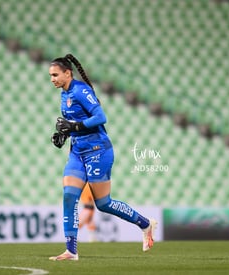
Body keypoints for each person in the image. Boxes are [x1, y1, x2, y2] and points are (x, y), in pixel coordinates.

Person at [49, 54, 157, 261]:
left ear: (67, 73)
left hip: (98, 151)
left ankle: (145, 223)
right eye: (51, 76)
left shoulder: (81, 91)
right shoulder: (64, 93)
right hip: (77, 152)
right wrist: (64, 133)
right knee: (69, 196)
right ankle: (71, 251)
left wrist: (74, 126)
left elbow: (101, 117)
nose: (52, 79)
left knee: (103, 203)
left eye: (55, 75)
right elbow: (75, 121)